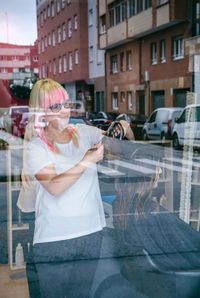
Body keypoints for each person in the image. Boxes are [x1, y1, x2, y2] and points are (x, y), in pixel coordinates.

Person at [18, 78, 134, 298]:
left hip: (91, 232)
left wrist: (124, 129)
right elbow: (54, 186)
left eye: (66, 104)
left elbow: (120, 147)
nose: (64, 111)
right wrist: (86, 161)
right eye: (55, 107)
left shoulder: (83, 132)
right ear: (41, 112)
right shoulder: (37, 147)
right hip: (54, 240)